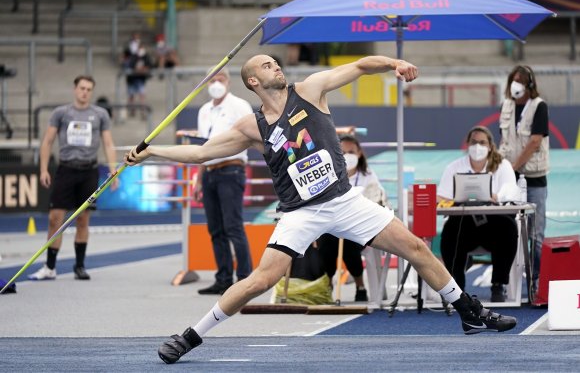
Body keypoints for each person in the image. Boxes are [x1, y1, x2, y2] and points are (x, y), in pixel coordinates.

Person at [125, 55, 517, 364]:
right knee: (261, 281)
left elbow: (362, 67)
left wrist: (393, 64)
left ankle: (469, 312)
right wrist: (151, 152)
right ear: (253, 82)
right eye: (265, 65)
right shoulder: (253, 126)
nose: (274, 66)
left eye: (274, 62)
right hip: (300, 213)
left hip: (345, 201)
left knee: (415, 247)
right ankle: (190, 336)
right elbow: (202, 152)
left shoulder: (310, 90)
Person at [29, 75, 118, 281]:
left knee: (83, 219)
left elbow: (108, 143)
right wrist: (43, 169)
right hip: (66, 170)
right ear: (74, 89)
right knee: (55, 219)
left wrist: (113, 171)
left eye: (89, 89)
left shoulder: (100, 114)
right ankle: (50, 267)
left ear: (92, 92)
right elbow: (47, 142)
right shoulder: (61, 113)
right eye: (82, 88)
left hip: (89, 171)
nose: (85, 92)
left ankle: (79, 265)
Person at [437, 126, 518, 302]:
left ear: (490, 145)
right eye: (474, 142)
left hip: (495, 225)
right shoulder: (454, 167)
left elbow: (511, 189)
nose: (477, 146)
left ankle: (498, 284)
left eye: (482, 142)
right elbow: (441, 196)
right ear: (467, 144)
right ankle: (456, 287)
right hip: (465, 226)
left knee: (509, 228)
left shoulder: (502, 166)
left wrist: (497, 196)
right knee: (450, 231)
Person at [193, 67, 254, 295]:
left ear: (228, 81)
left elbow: (250, 136)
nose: (216, 83)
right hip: (209, 171)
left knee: (233, 227)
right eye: (212, 79)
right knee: (215, 229)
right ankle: (223, 277)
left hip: (231, 169)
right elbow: (203, 147)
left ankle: (244, 279)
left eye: (220, 78)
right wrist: (199, 180)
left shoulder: (239, 106)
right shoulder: (204, 111)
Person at [317, 134, 387, 302]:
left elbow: (376, 200)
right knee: (326, 244)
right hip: (332, 226)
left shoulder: (368, 176)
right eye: (343, 152)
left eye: (351, 151)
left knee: (349, 245)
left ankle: (360, 285)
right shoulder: (328, 174)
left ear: (359, 153)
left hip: (359, 226)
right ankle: (328, 285)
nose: (348, 155)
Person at [498, 65, 549, 291]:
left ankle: (536, 281)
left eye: (519, 80)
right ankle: (502, 281)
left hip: (534, 177)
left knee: (536, 233)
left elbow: (535, 141)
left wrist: (514, 167)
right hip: (509, 179)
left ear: (529, 84)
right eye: (512, 80)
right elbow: (503, 141)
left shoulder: (539, 106)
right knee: (505, 228)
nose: (515, 85)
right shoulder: (506, 106)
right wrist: (500, 169)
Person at [122, 44, 153, 118]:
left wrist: (144, 69)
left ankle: (143, 111)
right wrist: (137, 69)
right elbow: (131, 66)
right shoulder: (133, 57)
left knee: (142, 95)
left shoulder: (146, 57)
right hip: (132, 80)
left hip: (140, 80)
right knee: (131, 96)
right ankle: (132, 111)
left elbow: (150, 66)